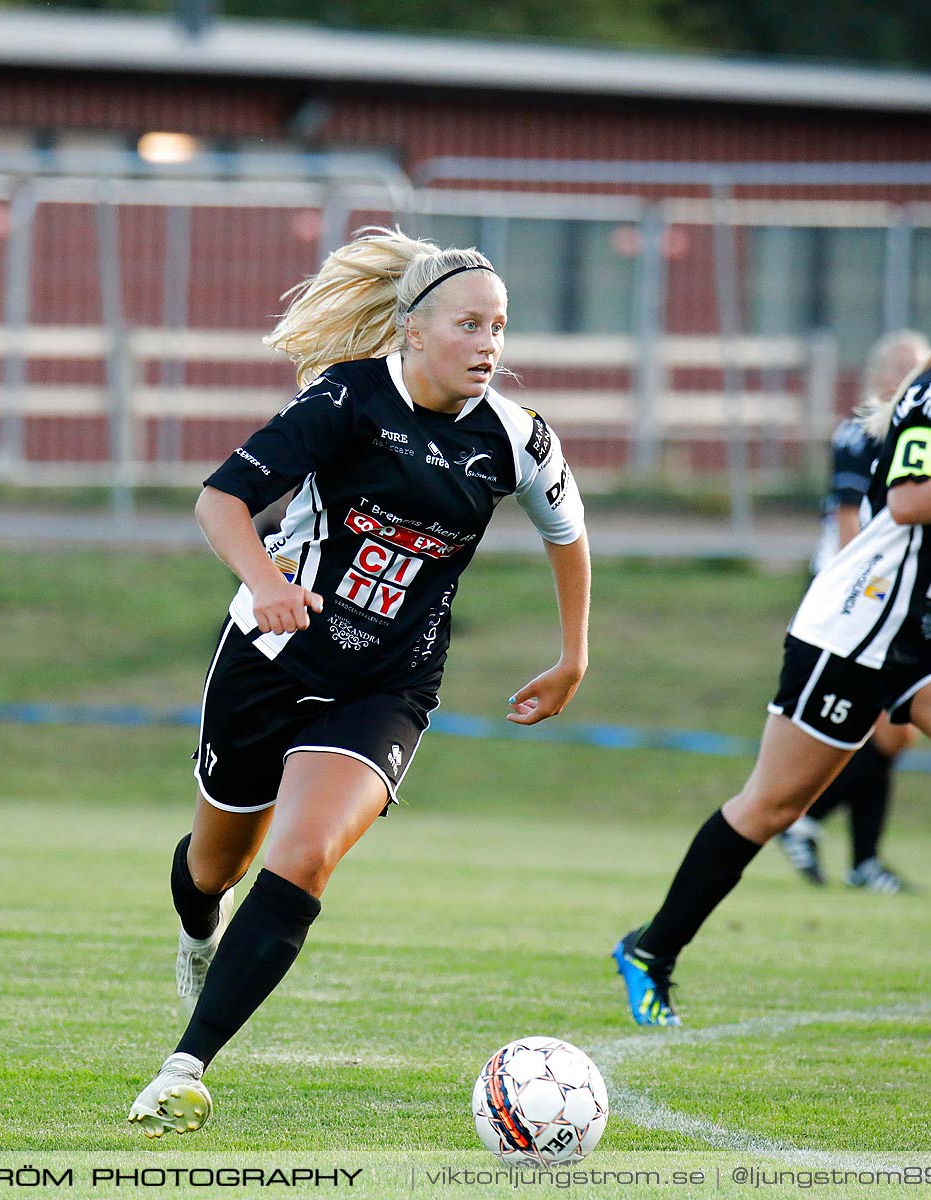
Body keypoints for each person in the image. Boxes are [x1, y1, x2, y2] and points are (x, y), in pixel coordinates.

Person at [125, 228, 591, 1136]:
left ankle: (184, 1067)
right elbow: (219, 500)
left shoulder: (519, 440)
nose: (489, 345)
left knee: (303, 856)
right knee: (214, 866)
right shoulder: (345, 399)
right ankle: (197, 936)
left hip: (387, 684)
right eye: (469, 325)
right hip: (269, 661)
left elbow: (568, 537)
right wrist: (266, 583)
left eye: (500, 326)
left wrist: (574, 654)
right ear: (413, 331)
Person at [613, 254, 931, 1028]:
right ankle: (650, 950)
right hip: (855, 634)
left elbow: (927, 504)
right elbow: (909, 499)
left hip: (922, 635)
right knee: (771, 806)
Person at [778, 330, 930, 895]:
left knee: (889, 734)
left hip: (892, 598)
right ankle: (814, 826)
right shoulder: (861, 432)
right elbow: (848, 527)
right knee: (887, 732)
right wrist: (858, 602)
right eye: (899, 366)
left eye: (919, 368)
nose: (910, 377)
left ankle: (844, 847)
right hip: (854, 597)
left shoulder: (921, 437)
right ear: (877, 375)